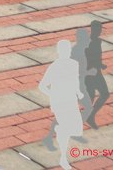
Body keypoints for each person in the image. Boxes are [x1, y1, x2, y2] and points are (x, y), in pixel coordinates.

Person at [39, 40, 83, 170]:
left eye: (68, 50)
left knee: (77, 129)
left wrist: (78, 92)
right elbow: (42, 86)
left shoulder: (74, 64)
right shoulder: (55, 67)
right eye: (64, 50)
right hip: (59, 102)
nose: (67, 52)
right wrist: (53, 95)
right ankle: (63, 158)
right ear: (59, 52)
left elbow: (75, 80)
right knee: (67, 127)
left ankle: (60, 130)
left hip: (71, 100)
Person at [83, 20, 109, 129]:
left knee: (101, 94)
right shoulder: (89, 43)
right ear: (93, 29)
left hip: (96, 73)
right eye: (98, 29)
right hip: (91, 74)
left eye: (100, 29)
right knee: (93, 96)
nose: (100, 31)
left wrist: (101, 65)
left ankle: (89, 116)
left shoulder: (97, 41)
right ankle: (88, 116)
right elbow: (87, 59)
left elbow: (96, 58)